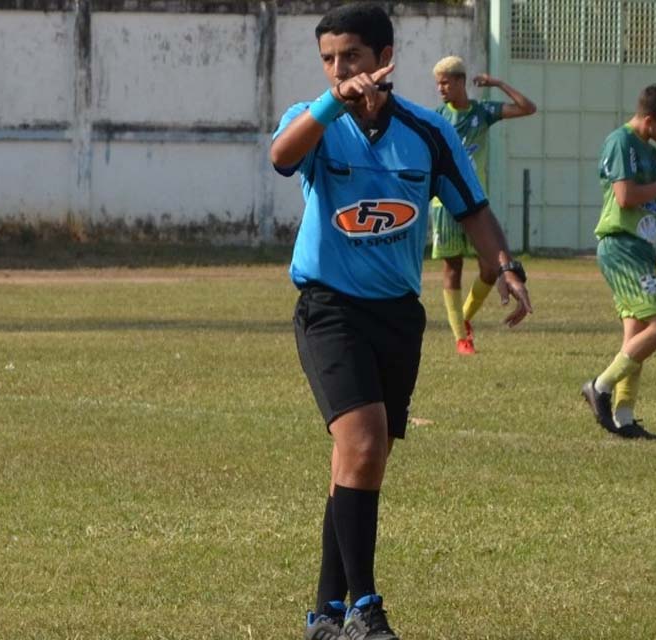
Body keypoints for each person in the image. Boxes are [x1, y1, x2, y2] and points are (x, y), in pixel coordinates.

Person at [269, 4, 533, 639]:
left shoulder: (427, 132)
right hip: (329, 307)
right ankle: (366, 609)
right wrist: (331, 103)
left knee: (362, 459)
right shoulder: (315, 120)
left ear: (384, 56)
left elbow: (473, 209)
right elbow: (282, 157)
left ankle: (325, 615)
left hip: (396, 316)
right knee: (360, 444)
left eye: (352, 57)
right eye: (329, 59)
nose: (340, 70)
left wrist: (507, 265)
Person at [581, 85, 656, 440]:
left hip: (639, 248)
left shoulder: (648, 147)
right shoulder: (621, 143)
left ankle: (625, 417)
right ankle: (599, 387)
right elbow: (625, 196)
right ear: (649, 120)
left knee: (636, 335)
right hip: (622, 246)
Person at [430, 55, 537, 355]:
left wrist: (498, 83)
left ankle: (462, 319)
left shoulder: (482, 113)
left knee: (491, 269)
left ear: (461, 82)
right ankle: (460, 337)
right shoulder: (437, 118)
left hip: (476, 203)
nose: (441, 88)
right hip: (445, 205)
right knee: (453, 267)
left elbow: (528, 108)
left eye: (446, 82)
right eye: (437, 83)